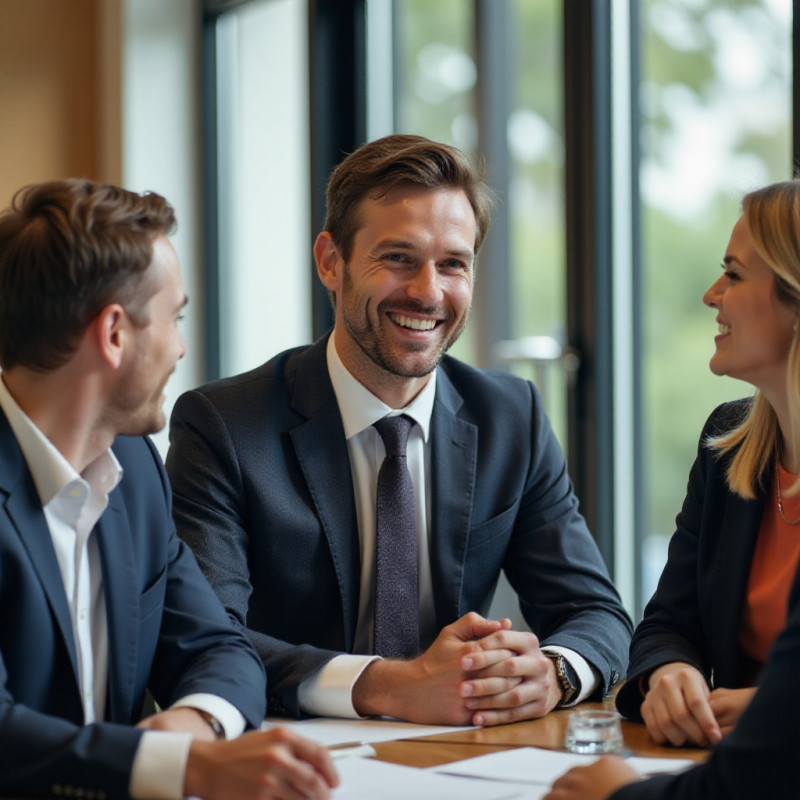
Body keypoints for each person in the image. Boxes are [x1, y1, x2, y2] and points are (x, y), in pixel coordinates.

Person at [166, 133, 631, 727]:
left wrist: (554, 673)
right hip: (289, 757)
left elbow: (597, 613)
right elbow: (205, 637)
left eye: (453, 264)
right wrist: (387, 687)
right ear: (330, 261)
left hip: (463, 760)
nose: (428, 292)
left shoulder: (512, 416)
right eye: (398, 258)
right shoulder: (224, 425)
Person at [0, 179, 338, 800]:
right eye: (175, 318)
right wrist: (181, 767)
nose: (182, 347)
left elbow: (220, 646)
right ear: (114, 333)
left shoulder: (135, 470)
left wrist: (193, 724)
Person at [615, 180, 800, 750]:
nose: (711, 294)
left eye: (735, 275)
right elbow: (668, 624)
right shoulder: (727, 444)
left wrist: (772, 708)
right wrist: (670, 674)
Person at [545, 552, 800, 800]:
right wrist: (669, 669)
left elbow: (746, 784)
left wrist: (622, 793)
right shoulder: (722, 506)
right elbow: (668, 623)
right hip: (703, 750)